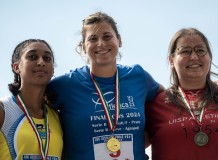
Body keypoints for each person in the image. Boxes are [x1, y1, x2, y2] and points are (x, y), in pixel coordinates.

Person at [46, 12, 164, 160]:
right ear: (83, 46)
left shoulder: (138, 77)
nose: (101, 43)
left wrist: (151, 133)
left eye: (107, 36)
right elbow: (32, 105)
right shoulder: (64, 85)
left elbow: (166, 101)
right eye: (93, 39)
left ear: (119, 40)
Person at [145, 28, 218, 160]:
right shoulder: (154, 104)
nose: (194, 57)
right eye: (185, 51)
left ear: (210, 58)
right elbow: (130, 143)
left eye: (200, 50)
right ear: (171, 60)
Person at [0, 39, 63, 160]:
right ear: (16, 67)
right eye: (32, 57)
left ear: (53, 70)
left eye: (47, 58)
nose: (41, 62)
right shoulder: (3, 110)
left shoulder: (57, 117)